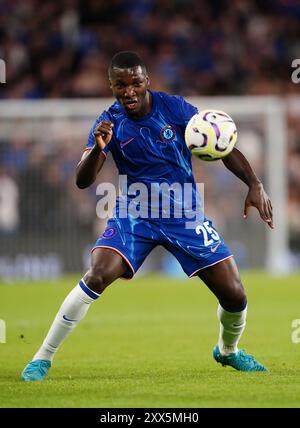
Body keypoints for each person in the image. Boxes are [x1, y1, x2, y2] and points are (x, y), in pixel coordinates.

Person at [21, 51, 273, 381]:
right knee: (97, 274)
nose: (129, 92)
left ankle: (228, 351)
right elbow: (82, 180)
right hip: (135, 213)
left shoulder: (174, 108)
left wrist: (254, 183)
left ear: (146, 81)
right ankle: (42, 357)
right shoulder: (108, 122)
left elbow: (219, 142)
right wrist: (99, 148)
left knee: (235, 294)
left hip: (184, 213)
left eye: (135, 83)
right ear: (111, 85)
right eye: (120, 85)